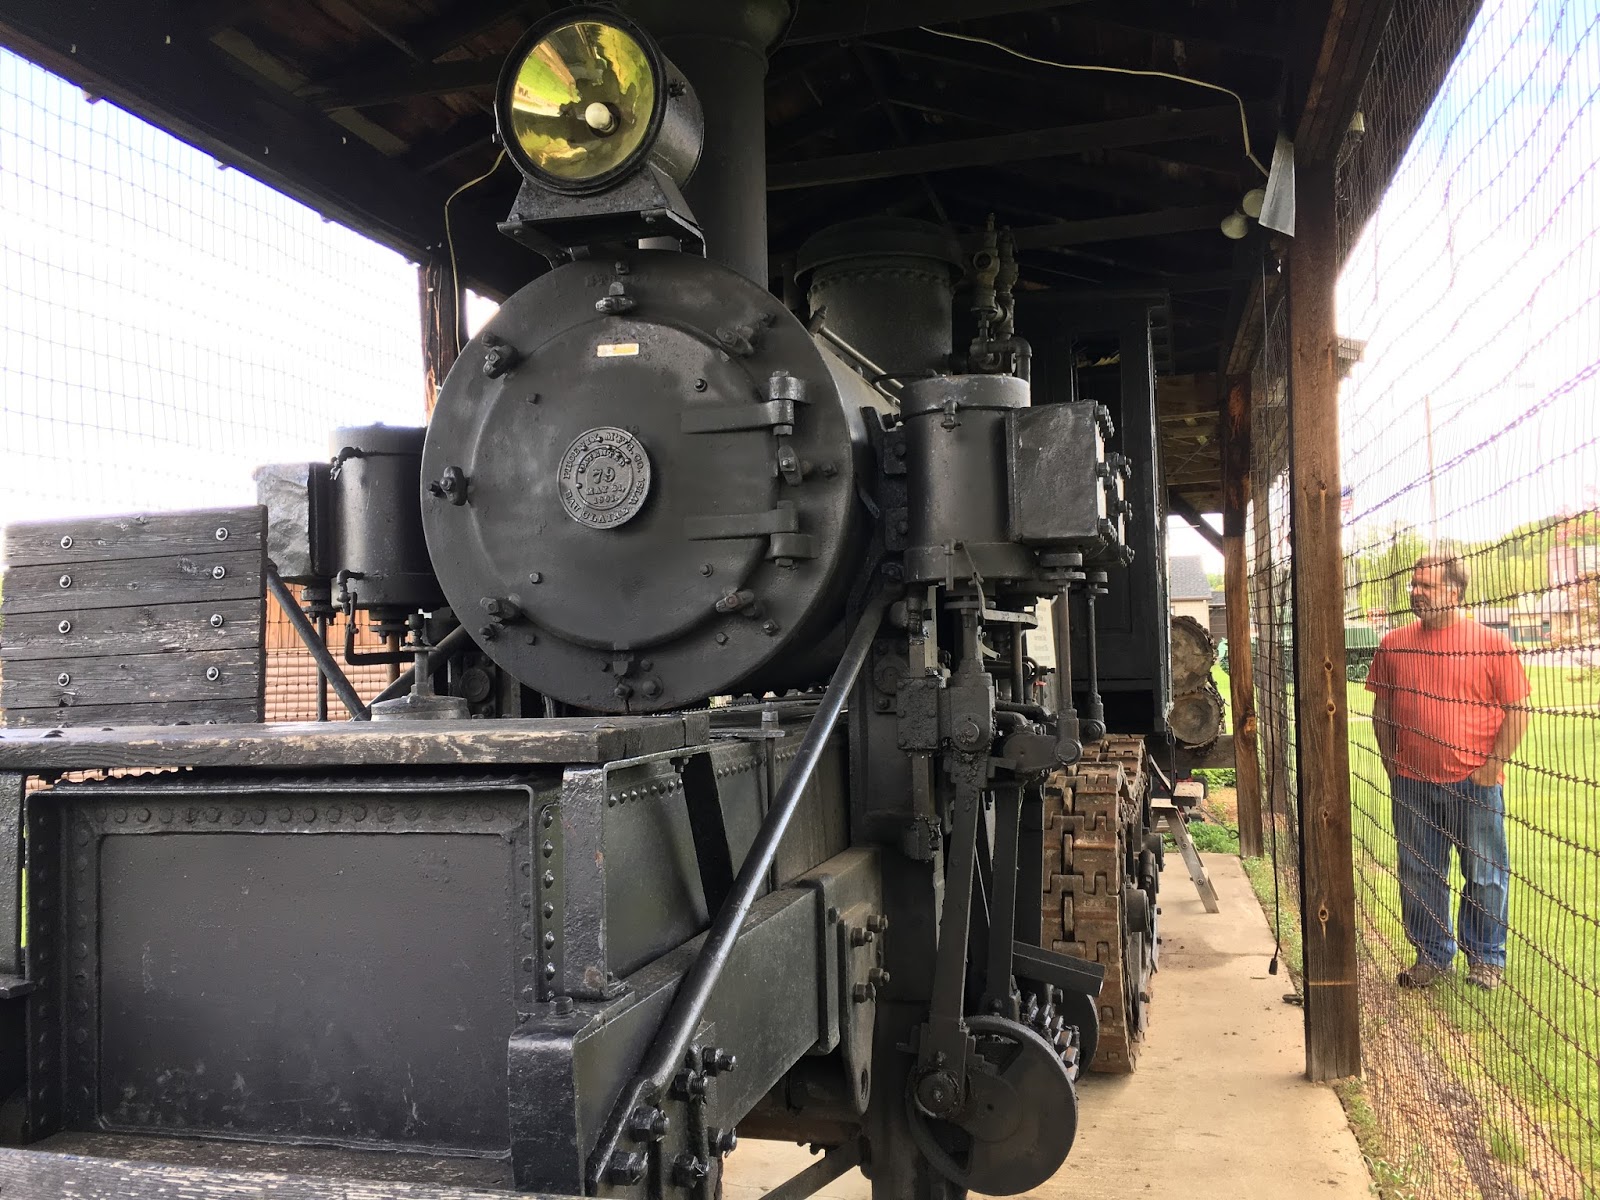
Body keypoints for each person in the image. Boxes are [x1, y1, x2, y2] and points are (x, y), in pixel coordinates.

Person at [1366, 553, 1530, 991]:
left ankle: (1486, 960)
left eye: (1426, 586)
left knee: (1484, 873)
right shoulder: (1393, 645)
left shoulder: (1492, 645)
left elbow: (1518, 710)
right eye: (1414, 585)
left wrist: (1491, 766)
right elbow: (1382, 710)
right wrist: (1391, 763)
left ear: (1453, 592)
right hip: (1413, 783)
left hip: (1474, 785)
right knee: (1419, 873)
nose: (1416, 593)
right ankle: (1432, 956)